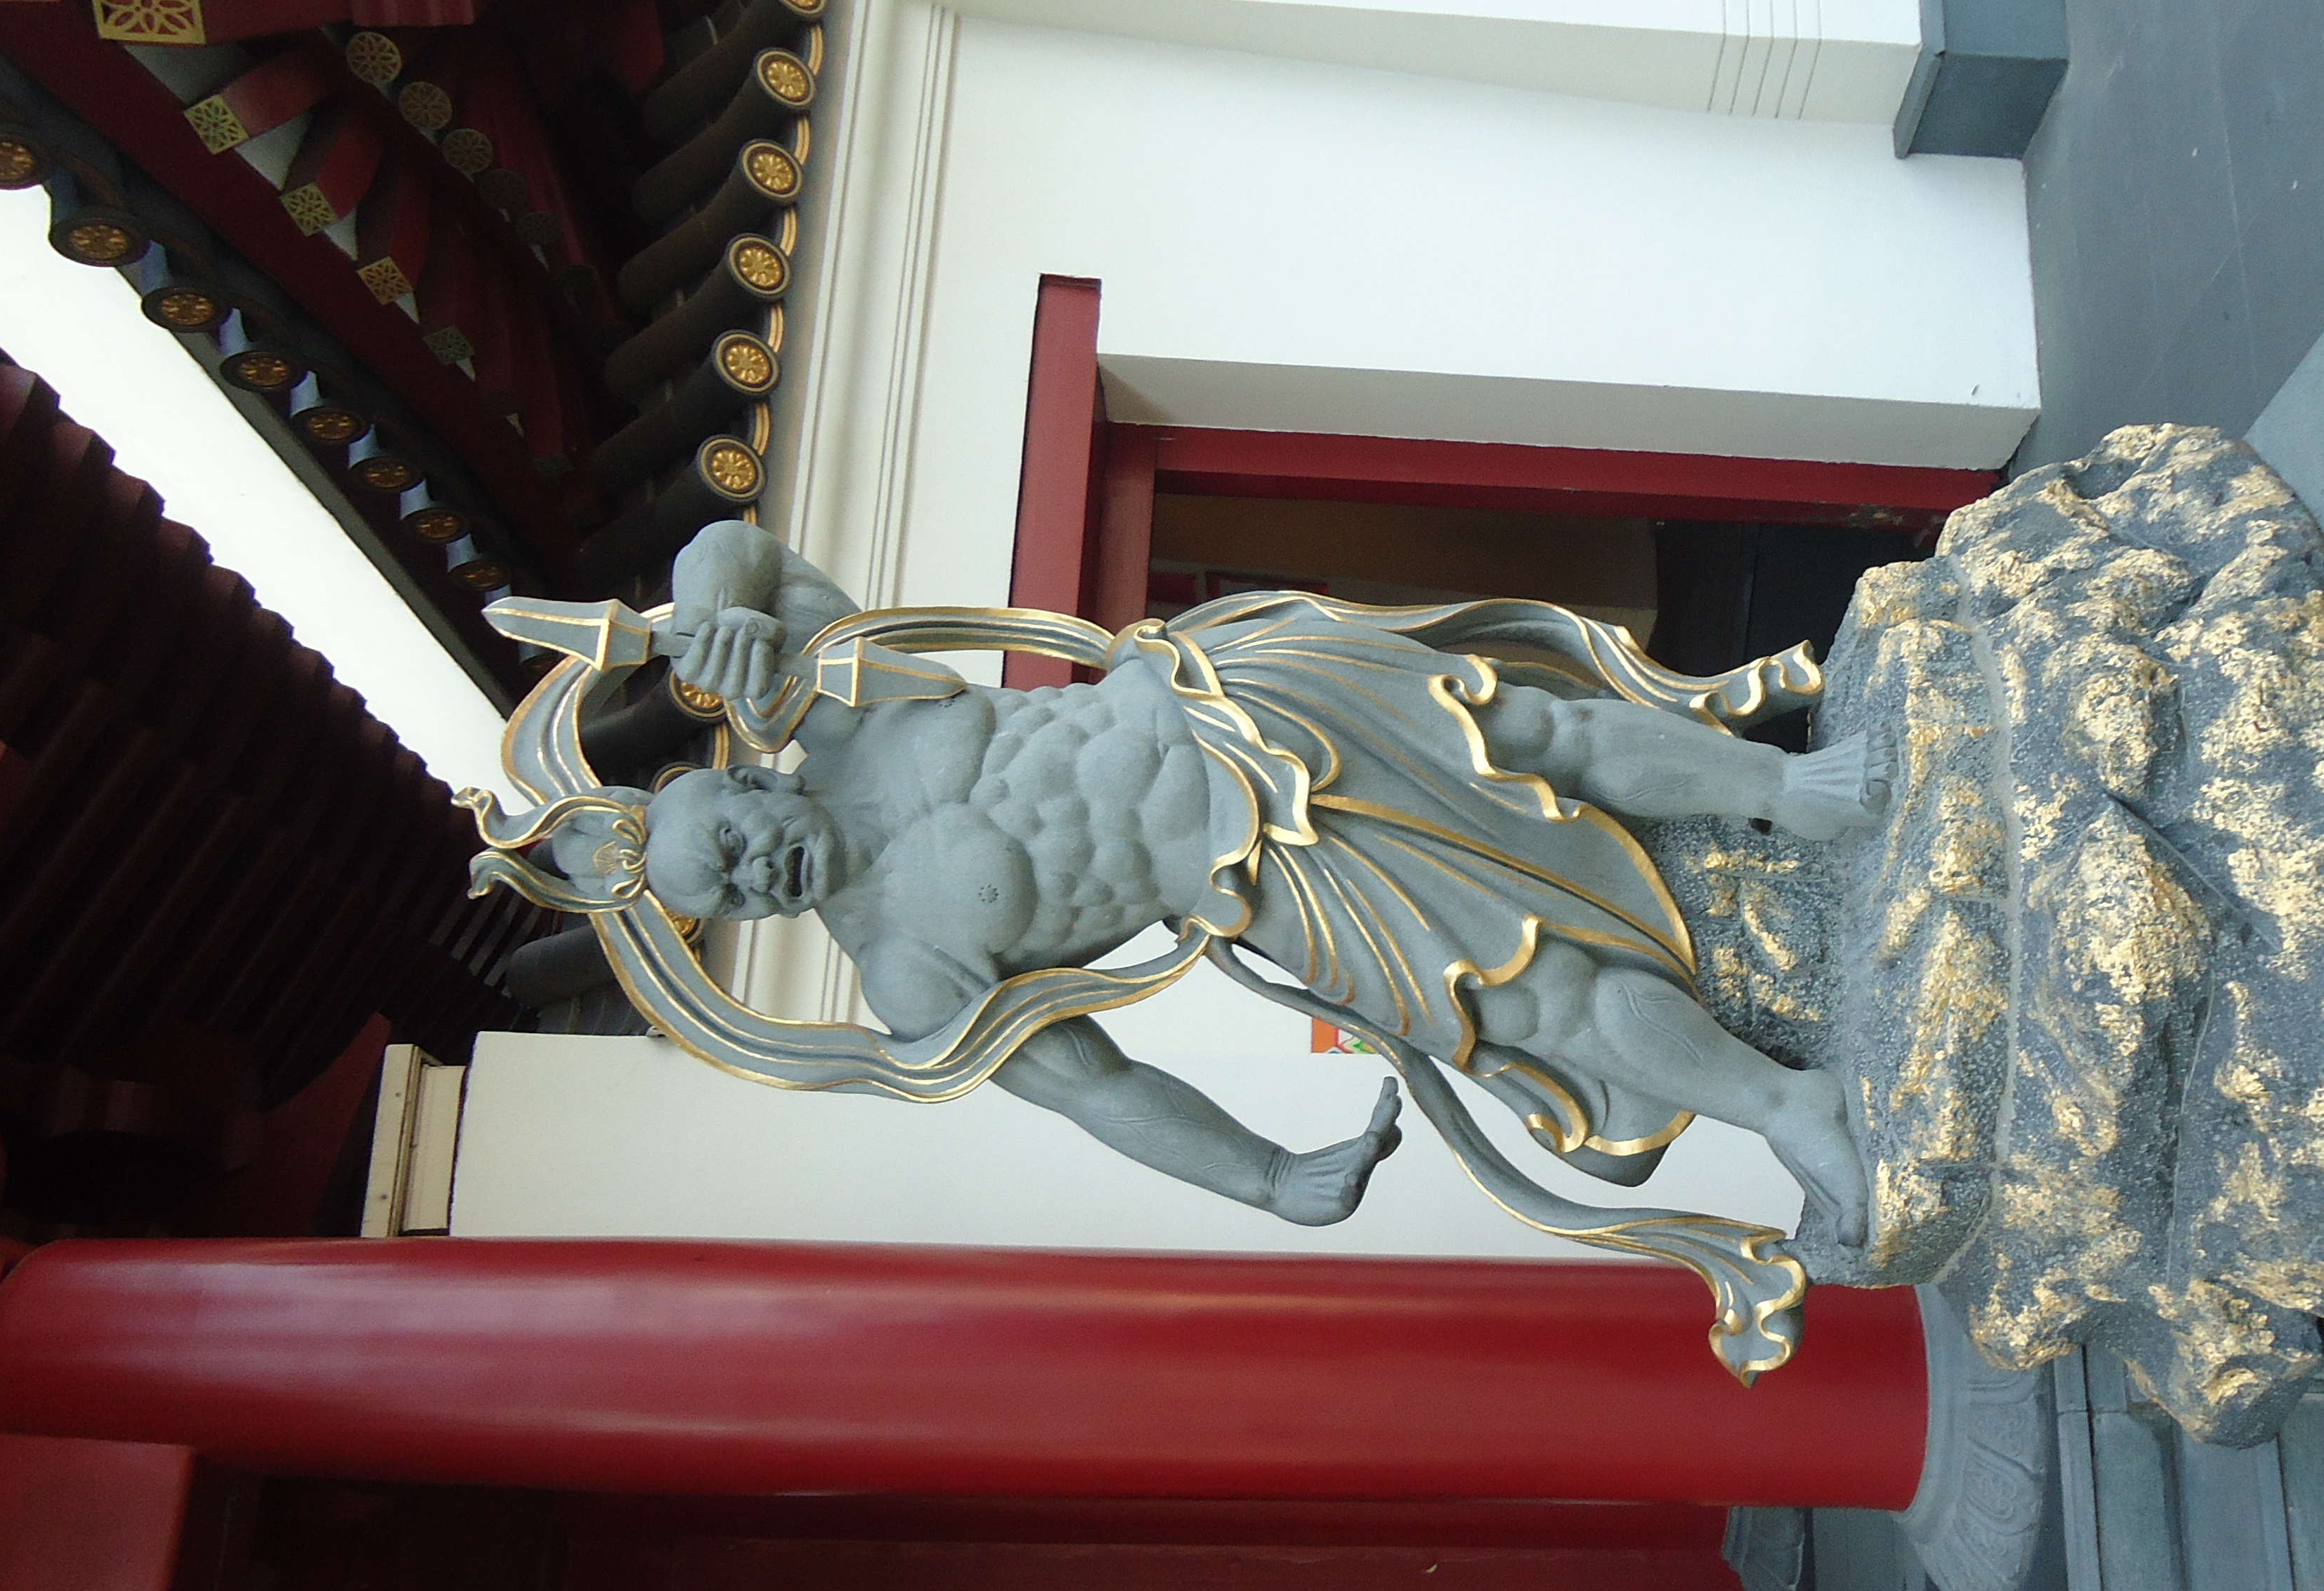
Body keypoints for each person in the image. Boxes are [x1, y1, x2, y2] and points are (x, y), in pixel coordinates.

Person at [629, 519, 1887, 1238]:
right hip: (1260, 881)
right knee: (1525, 996)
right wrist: (1264, 1177)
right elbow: (1098, 1091)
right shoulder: (908, 971)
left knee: (1523, 728)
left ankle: (1784, 790)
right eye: (737, 898)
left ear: (752, 780)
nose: (759, 878)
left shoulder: (854, 705)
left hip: (1221, 697)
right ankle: (1784, 1108)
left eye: (734, 845)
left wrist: (712, 613)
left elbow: (738, 545)